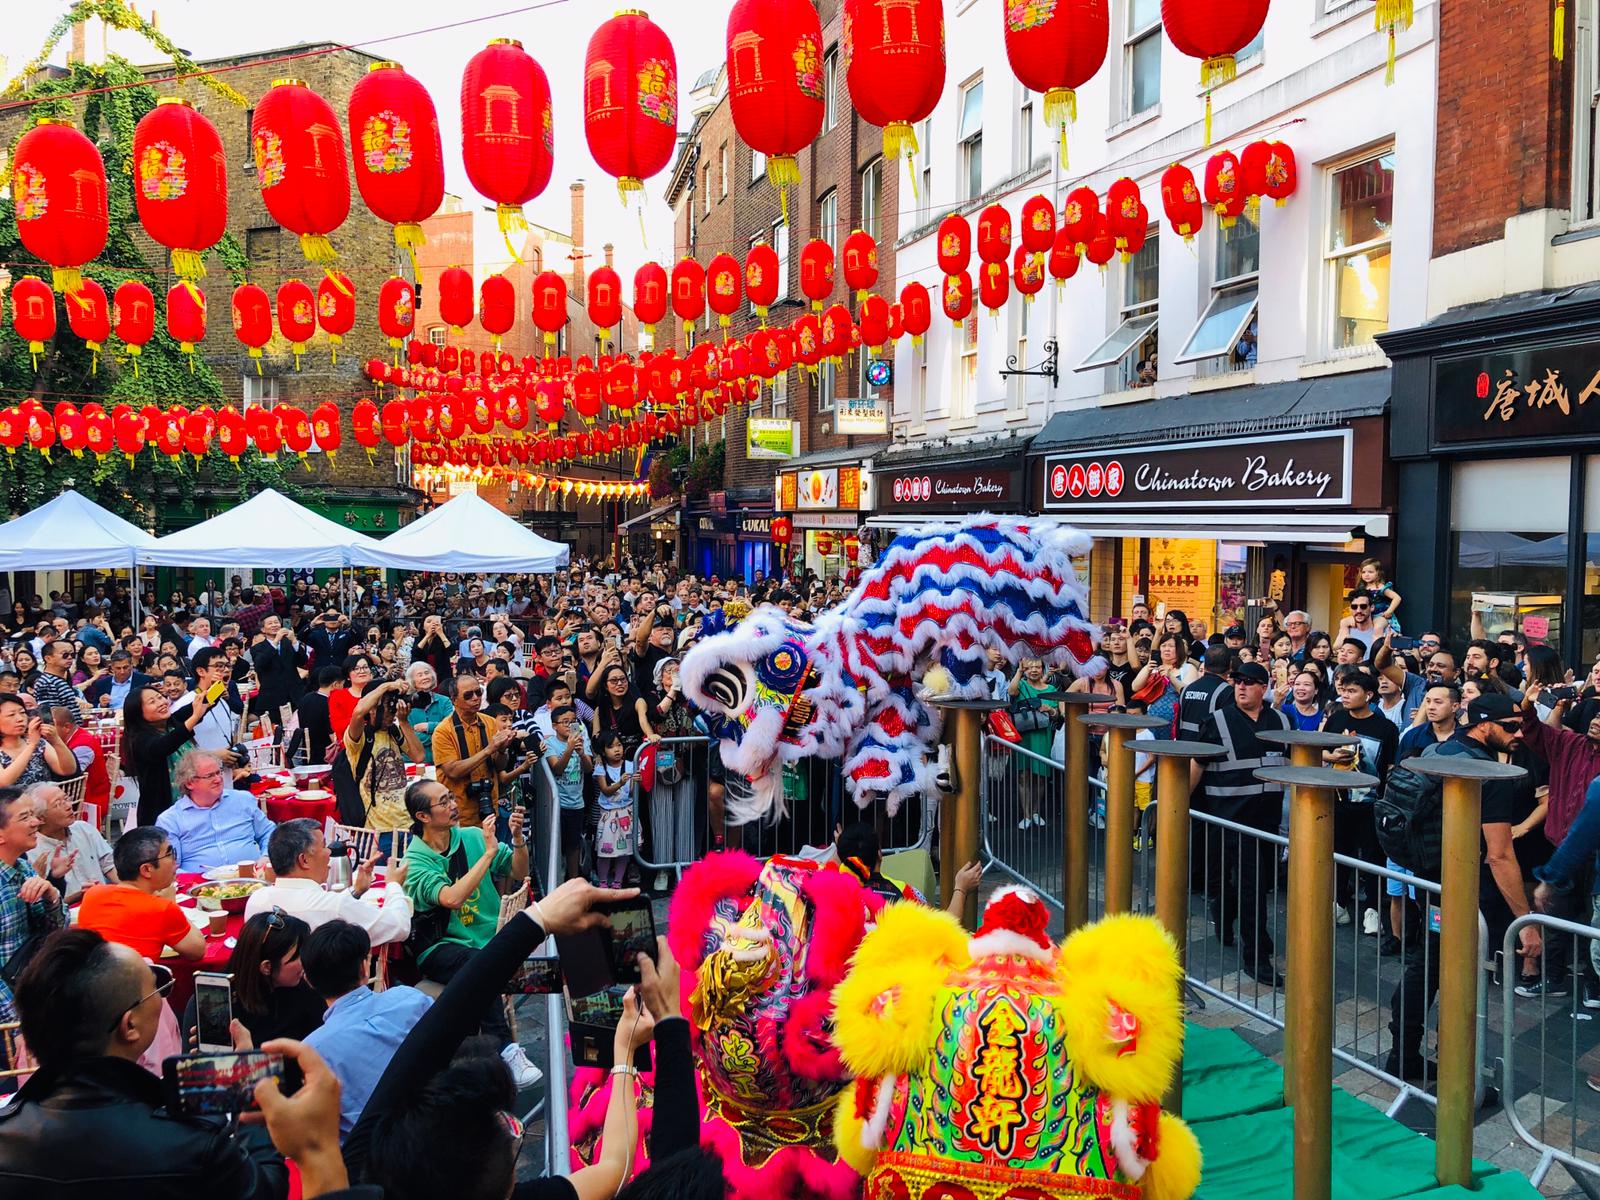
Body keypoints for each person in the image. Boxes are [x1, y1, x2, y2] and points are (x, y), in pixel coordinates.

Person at [0, 928, 288, 1197]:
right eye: (156, 989)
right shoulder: (193, 1142)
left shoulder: (8, 1133)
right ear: (130, 1025)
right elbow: (266, 1188)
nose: (162, 997)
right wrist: (248, 1086)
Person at [1387, 695, 1536, 1080]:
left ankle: (1407, 1053)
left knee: (1431, 964)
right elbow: (1499, 855)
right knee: (1445, 969)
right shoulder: (1487, 773)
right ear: (1485, 726)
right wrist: (1527, 921)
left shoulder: (1438, 749)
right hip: (1464, 887)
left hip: (1429, 876)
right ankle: (1438, 1061)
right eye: (1512, 726)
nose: (1520, 734)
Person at [401, 779, 540, 1087]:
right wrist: (488, 856)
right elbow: (451, 898)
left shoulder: (473, 836)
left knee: (479, 966)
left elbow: (519, 871)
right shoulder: (415, 861)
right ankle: (505, 1050)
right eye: (443, 801)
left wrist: (517, 839)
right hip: (440, 947)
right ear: (422, 816)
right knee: (477, 963)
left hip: (490, 938)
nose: (453, 805)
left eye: (452, 797)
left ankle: (483, 1068)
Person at [1190, 661, 1289, 986]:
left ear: (1264, 687)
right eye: (1237, 682)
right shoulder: (1217, 721)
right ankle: (1256, 957)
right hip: (1230, 820)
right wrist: (1173, 809)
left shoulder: (1281, 721)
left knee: (1252, 885)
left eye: (1249, 682)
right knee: (1252, 887)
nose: (1241, 687)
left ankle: (1227, 917)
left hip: (1267, 823)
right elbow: (1197, 765)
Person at [301, 919, 434, 1138]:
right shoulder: (409, 998)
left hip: (371, 1158)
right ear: (364, 967)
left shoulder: (312, 1049)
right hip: (435, 1126)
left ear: (309, 981)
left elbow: (321, 1131)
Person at [1510, 680, 1600, 999]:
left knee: (1594, 920)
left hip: (1594, 857)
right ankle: (1555, 978)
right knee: (1555, 915)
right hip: (1562, 847)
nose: (1597, 719)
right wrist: (1527, 706)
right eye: (1594, 713)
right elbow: (1536, 733)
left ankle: (1594, 985)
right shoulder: (1569, 744)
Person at [245, 819, 413, 946]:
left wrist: (356, 891)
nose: (329, 852)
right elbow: (399, 926)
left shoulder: (256, 900)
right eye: (325, 846)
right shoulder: (334, 906)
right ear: (304, 860)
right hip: (331, 991)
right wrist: (393, 884)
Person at [1321, 670, 1398, 935]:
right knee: (1339, 853)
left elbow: (1389, 766)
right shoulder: (1336, 719)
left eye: (1352, 691)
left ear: (1369, 695)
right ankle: (1339, 903)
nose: (1345, 695)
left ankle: (1372, 909)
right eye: (1343, 690)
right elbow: (1321, 750)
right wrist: (1332, 758)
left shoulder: (1385, 727)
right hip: (1337, 798)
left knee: (1372, 856)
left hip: (1370, 802)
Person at [76, 827, 205, 963]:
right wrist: (172, 903)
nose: (175, 862)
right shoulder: (162, 908)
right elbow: (197, 951)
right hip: (135, 981)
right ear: (147, 869)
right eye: (169, 855)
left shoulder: (93, 894)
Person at [0, 786, 66, 1020]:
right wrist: (16, 1024)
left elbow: (55, 932)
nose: (36, 822)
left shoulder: (24, 867)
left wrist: (52, 895)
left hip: (35, 992)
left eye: (34, 814)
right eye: (25, 817)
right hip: (10, 1013)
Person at [156, 749, 276, 874]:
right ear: (189, 783)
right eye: (210, 776)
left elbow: (269, 832)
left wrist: (266, 856)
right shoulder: (170, 820)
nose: (218, 779)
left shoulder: (242, 800)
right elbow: (170, 867)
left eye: (219, 773)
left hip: (253, 877)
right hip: (199, 887)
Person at [123, 682, 217, 825]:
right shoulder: (138, 740)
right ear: (138, 712)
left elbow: (202, 704)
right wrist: (194, 718)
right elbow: (163, 746)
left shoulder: (172, 722)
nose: (161, 703)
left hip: (196, 809)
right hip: (162, 816)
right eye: (152, 702)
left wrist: (219, 684)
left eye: (160, 697)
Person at [341, 678, 425, 837]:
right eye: (388, 705)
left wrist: (404, 722)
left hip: (408, 822)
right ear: (372, 709)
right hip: (379, 829)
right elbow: (358, 712)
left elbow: (419, 756)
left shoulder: (394, 731)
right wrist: (386, 685)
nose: (392, 710)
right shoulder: (360, 736)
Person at [434, 673, 512, 826]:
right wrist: (489, 750)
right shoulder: (443, 731)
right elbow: (453, 771)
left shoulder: (489, 722)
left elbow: (500, 766)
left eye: (478, 692)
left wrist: (502, 750)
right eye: (469, 695)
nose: (476, 698)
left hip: (489, 808)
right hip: (459, 813)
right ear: (454, 700)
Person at [27, 781, 116, 905]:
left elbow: (110, 865)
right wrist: (79, 896)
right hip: (67, 916)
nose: (69, 806)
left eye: (67, 799)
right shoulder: (32, 851)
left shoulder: (84, 828)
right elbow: (42, 907)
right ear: (40, 818)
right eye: (58, 804)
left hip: (103, 904)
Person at [0, 695, 75, 789]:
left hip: (44, 802)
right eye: (11, 715)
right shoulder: (34, 743)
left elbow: (68, 770)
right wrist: (31, 745)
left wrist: (56, 740)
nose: (20, 719)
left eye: (22, 713)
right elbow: (3, 782)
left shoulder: (39, 743)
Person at [592, 731, 635, 889]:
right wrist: (620, 783)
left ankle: (617, 882)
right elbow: (605, 790)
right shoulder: (600, 767)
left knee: (624, 851)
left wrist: (635, 783)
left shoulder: (631, 765)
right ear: (603, 751)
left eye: (619, 745)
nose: (617, 749)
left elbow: (631, 792)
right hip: (608, 814)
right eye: (611, 747)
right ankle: (603, 882)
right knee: (605, 850)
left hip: (626, 811)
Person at [250, 614, 307, 728]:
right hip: (272, 697)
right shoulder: (257, 648)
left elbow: (302, 661)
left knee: (297, 730)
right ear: (263, 629)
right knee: (274, 732)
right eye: (270, 623)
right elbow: (260, 664)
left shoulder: (288, 643)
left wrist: (294, 641)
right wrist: (275, 641)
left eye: (276, 622)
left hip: (294, 695)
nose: (274, 625)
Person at [1177, 645, 1236, 739]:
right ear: (1230, 665)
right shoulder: (1227, 692)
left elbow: (1178, 726)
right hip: (1210, 750)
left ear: (1205, 664)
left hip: (1185, 748)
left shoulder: (1186, 690)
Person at [405, 662, 454, 765]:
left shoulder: (444, 701)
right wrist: (440, 735)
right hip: (413, 762)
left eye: (427, 673)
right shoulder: (406, 704)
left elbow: (452, 726)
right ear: (412, 681)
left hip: (442, 759)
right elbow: (408, 738)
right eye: (420, 675)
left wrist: (428, 727)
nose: (425, 677)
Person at [291, 665, 341, 766]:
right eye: (342, 684)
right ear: (335, 684)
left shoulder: (306, 698)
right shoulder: (328, 704)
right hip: (326, 757)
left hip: (307, 753)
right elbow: (334, 738)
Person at [31, 639, 87, 720]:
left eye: (72, 654)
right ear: (48, 658)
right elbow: (49, 717)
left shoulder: (59, 681)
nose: (70, 657)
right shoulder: (46, 682)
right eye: (65, 654)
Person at [329, 655, 375, 744]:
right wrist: (363, 717)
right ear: (348, 676)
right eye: (356, 668)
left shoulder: (377, 692)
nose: (362, 671)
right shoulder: (338, 695)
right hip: (349, 746)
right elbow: (337, 726)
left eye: (365, 667)